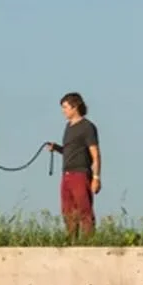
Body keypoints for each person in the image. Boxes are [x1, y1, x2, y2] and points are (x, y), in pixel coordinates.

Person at [44, 92, 100, 237]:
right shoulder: (68, 126)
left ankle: (89, 241)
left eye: (65, 107)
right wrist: (56, 148)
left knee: (84, 210)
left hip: (81, 173)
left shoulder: (87, 127)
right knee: (68, 211)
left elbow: (95, 154)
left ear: (75, 107)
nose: (63, 111)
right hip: (66, 174)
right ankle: (71, 241)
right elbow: (71, 151)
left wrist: (96, 178)